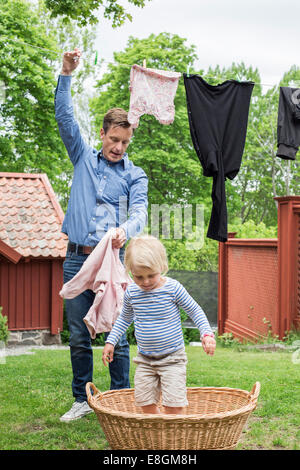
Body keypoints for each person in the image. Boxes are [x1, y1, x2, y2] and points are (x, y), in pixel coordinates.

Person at [55, 49, 148, 422]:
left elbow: (140, 212)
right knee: (79, 334)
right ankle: (83, 398)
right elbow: (64, 116)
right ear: (102, 133)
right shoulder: (81, 156)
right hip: (77, 257)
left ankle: (120, 398)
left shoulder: (134, 174)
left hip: (111, 261)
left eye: (125, 142)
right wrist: (66, 73)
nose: (118, 147)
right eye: (113, 140)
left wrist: (125, 229)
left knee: (116, 330)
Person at [102, 235, 216, 415]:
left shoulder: (172, 288)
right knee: (145, 402)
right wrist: (111, 342)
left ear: (162, 267)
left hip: (173, 359)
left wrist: (207, 334)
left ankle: (175, 436)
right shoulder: (132, 292)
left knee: (174, 405)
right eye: (138, 276)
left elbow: (195, 310)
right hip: (145, 360)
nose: (145, 282)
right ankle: (159, 436)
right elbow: (124, 319)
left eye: (151, 275)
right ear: (129, 270)